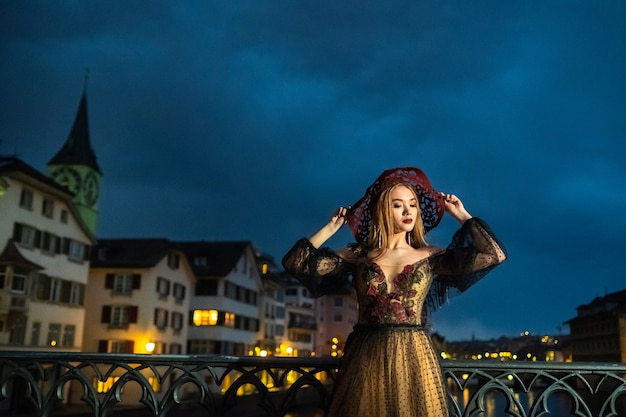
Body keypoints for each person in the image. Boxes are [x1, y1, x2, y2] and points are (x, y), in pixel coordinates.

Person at [281, 167, 507, 417]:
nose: (408, 211)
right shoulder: (359, 256)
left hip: (414, 357)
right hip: (366, 357)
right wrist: (331, 228)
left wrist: (462, 215)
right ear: (382, 211)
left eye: (413, 204)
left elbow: (493, 254)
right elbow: (296, 263)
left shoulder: (430, 257)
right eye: (398, 205)